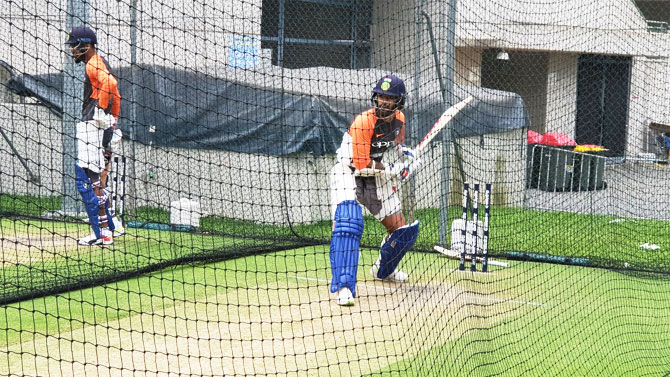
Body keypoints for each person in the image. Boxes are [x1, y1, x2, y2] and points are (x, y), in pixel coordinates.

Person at [329, 74, 421, 306]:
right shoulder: (363, 121)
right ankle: (343, 287)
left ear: (398, 102)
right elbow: (361, 164)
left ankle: (384, 270)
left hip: (376, 177)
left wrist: (406, 156)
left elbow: (397, 145)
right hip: (348, 171)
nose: (383, 102)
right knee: (349, 223)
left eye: (389, 98)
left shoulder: (399, 118)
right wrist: (393, 169)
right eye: (380, 96)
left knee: (402, 231)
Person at [65, 26, 123, 245]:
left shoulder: (92, 63)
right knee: (99, 177)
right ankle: (110, 227)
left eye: (74, 46)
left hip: (93, 125)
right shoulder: (100, 61)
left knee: (88, 178)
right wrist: (113, 118)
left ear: (85, 45)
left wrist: (100, 108)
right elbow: (116, 93)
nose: (72, 51)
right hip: (104, 125)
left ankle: (102, 234)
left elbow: (111, 85)